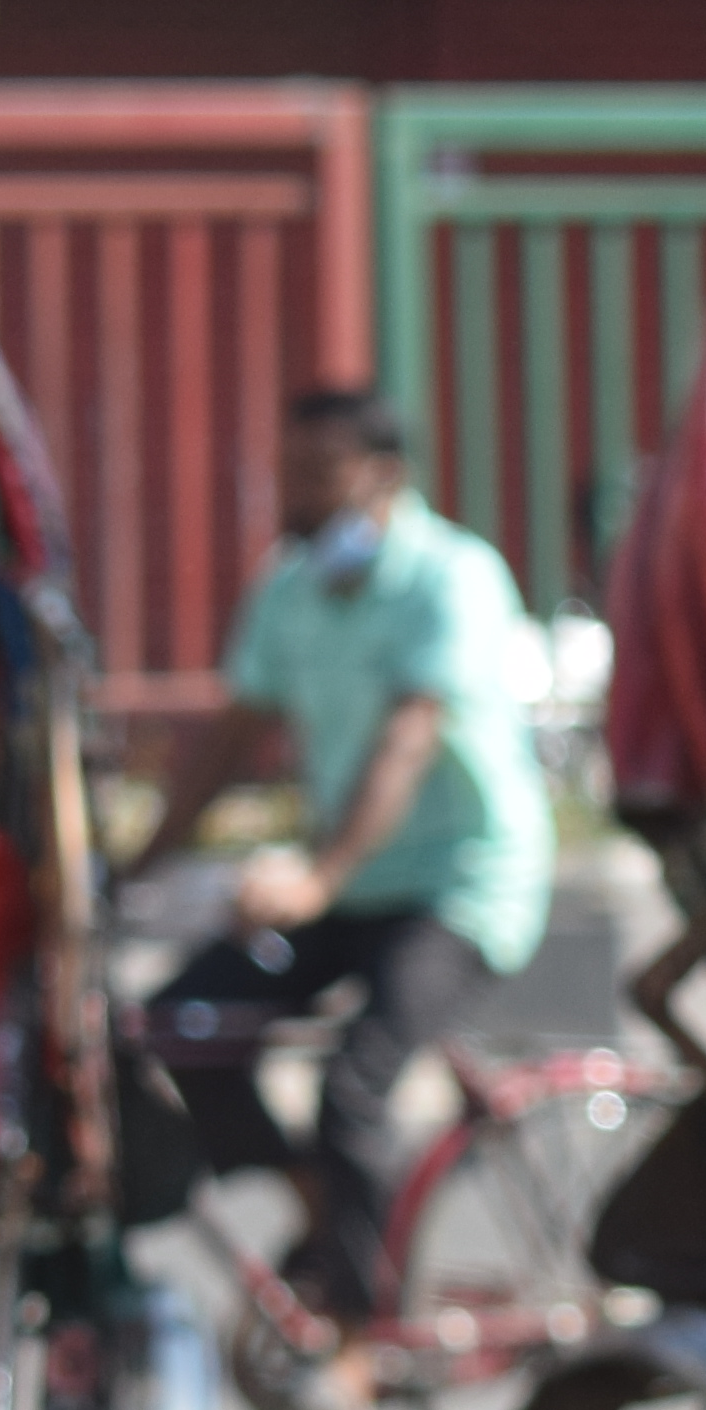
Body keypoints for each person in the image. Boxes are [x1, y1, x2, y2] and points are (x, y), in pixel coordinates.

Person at [127, 386, 555, 1339]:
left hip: (458, 886)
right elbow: (235, 738)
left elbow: (408, 739)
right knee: (180, 1022)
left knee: (354, 1088)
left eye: (320, 476)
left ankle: (370, 1338)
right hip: (352, 886)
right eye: (291, 474)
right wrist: (136, 866)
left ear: (383, 478)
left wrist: (316, 878)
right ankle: (325, 1211)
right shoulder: (289, 588)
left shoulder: (451, 578)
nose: (299, 494)